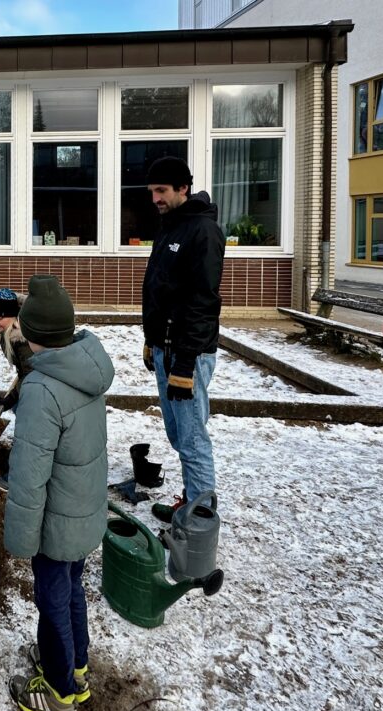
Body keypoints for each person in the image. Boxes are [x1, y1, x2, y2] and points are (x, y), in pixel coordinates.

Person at [5, 274, 115, 711]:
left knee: (51, 601)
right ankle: (77, 669)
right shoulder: (84, 368)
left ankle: (59, 695)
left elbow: (29, 476)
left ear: (33, 335)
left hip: (55, 520)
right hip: (84, 510)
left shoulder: (42, 390)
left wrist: (20, 538)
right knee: (71, 591)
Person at [141, 156, 225, 523]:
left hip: (186, 354)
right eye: (152, 192)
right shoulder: (170, 226)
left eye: (161, 191)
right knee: (178, 433)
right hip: (165, 347)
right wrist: (151, 338)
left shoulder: (203, 232)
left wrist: (186, 363)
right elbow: (161, 288)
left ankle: (200, 519)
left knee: (192, 439)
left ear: (182, 189)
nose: (155, 198)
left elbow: (202, 302)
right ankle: (193, 500)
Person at [0, 287, 33, 494]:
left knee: (29, 434)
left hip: (40, 389)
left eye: (0, 317)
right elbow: (24, 372)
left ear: (12, 315)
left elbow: (30, 375)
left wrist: (13, 399)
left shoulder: (22, 340)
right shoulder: (12, 331)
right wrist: (10, 399)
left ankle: (17, 478)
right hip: (33, 381)